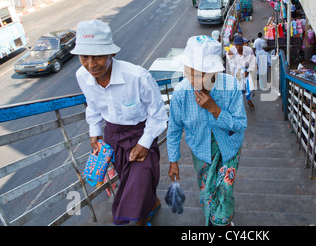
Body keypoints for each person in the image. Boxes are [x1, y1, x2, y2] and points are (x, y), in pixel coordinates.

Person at [71, 20, 168, 226]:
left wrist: (144, 143)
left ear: (111, 54)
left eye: (97, 56)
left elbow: (158, 114)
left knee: (137, 186)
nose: (91, 64)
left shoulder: (137, 77)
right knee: (129, 181)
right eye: (84, 57)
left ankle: (138, 221)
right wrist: (94, 132)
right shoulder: (82, 75)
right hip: (113, 137)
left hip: (142, 134)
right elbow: (93, 105)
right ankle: (153, 204)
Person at [167, 35, 247, 226]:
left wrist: (215, 109)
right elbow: (175, 129)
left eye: (199, 74)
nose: (193, 80)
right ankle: (212, 218)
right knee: (207, 190)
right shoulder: (180, 94)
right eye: (189, 72)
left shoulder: (231, 86)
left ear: (215, 73)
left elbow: (240, 124)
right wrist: (173, 160)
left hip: (229, 148)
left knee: (225, 189)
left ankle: (223, 221)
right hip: (201, 152)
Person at [226, 36, 257, 110]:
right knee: (238, 88)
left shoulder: (249, 50)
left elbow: (253, 62)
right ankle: (238, 104)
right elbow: (231, 63)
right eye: (236, 45)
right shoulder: (232, 50)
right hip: (238, 71)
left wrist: (248, 71)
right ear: (234, 45)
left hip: (247, 70)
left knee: (250, 88)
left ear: (243, 44)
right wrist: (230, 56)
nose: (238, 47)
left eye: (239, 45)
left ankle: (249, 100)